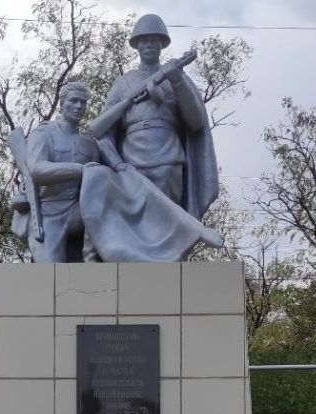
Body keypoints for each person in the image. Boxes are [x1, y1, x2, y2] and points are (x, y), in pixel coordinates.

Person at [101, 13, 218, 219]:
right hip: (132, 164)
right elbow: (105, 130)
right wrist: (117, 164)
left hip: (168, 162)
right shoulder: (122, 84)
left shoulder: (178, 78)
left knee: (168, 222)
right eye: (144, 40)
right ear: (136, 45)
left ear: (162, 44)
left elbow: (196, 123)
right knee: (134, 226)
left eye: (154, 40)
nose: (149, 45)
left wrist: (177, 81)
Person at [14, 81, 123, 263]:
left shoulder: (90, 143)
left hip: (81, 213)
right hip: (48, 214)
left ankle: (91, 255)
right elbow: (37, 169)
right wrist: (80, 170)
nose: (79, 106)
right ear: (62, 102)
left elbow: (101, 182)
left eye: (83, 102)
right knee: (49, 275)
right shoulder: (44, 134)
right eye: (73, 101)